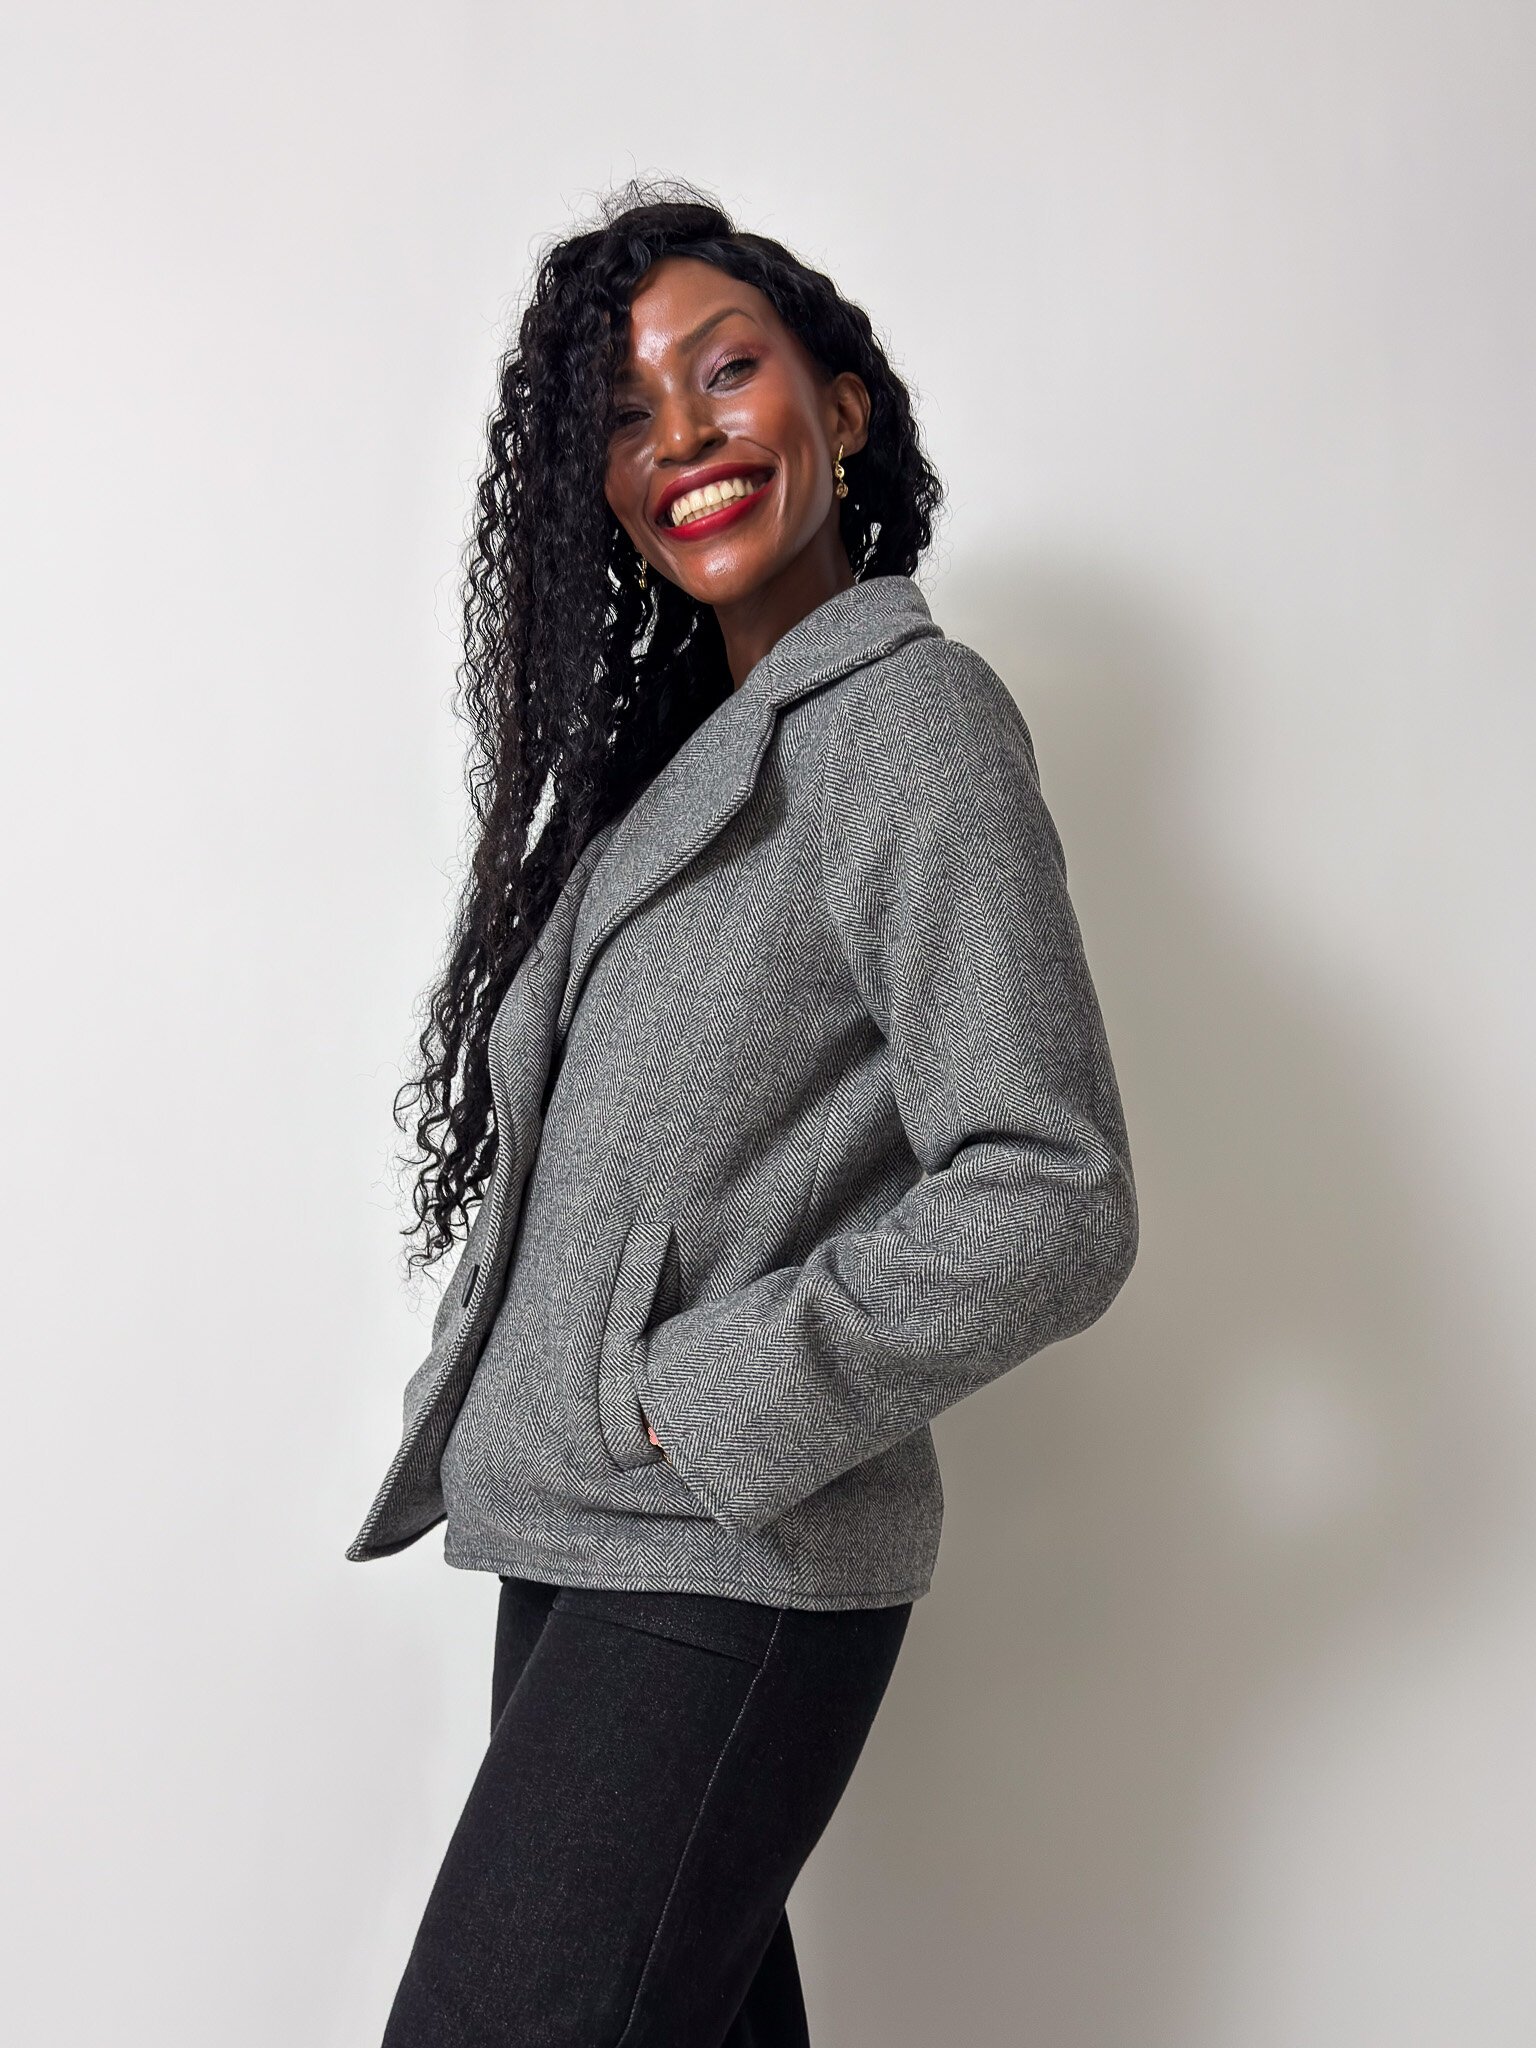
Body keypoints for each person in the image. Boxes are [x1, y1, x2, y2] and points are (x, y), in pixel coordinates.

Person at [346, 176, 1139, 2048]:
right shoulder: (690, 763)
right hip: (586, 1537)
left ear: (838, 406)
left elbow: (1056, 1189)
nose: (684, 436)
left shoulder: (910, 724)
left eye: (726, 372)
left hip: (727, 1546)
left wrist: (700, 1394)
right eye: (629, 414)